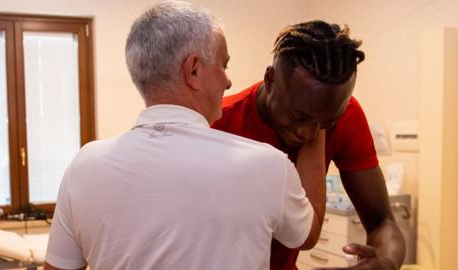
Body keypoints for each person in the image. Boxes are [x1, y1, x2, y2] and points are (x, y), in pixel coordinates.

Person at [44, 2, 324, 270]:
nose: (228, 81)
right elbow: (307, 236)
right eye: (223, 66)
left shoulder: (84, 166)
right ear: (193, 70)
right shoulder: (268, 166)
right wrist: (317, 123)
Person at [212, 21, 406, 270]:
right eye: (297, 117)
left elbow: (382, 221)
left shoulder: (348, 116)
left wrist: (385, 263)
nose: (309, 133)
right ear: (270, 80)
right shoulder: (219, 123)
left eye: (328, 121)